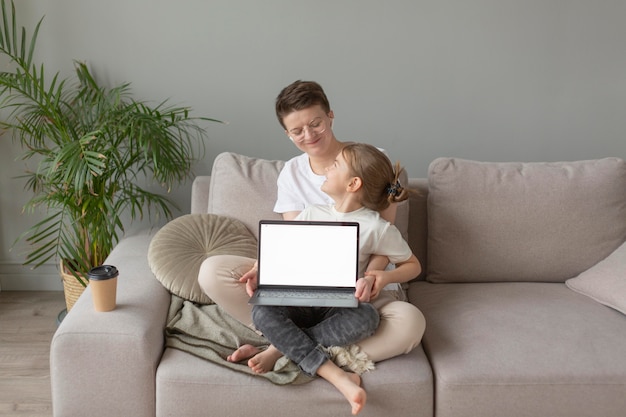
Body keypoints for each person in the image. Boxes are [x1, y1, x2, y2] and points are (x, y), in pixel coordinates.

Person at [198, 80, 425, 363]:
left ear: (330, 115)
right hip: (308, 285)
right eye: (297, 131)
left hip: (361, 286)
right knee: (211, 271)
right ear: (288, 134)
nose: (308, 134)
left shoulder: (370, 160)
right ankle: (316, 351)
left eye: (315, 123)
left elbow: (383, 236)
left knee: (410, 323)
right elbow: (294, 242)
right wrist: (263, 269)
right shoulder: (292, 175)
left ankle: (279, 349)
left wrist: (367, 279)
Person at [249, 143, 421, 415]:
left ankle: (280, 348)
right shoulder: (312, 213)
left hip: (340, 305)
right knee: (261, 311)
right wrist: (260, 268)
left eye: (336, 165)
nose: (327, 168)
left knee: (367, 318)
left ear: (353, 183)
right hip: (302, 299)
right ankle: (337, 375)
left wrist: (385, 276)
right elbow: (283, 248)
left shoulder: (377, 227)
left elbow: (412, 265)